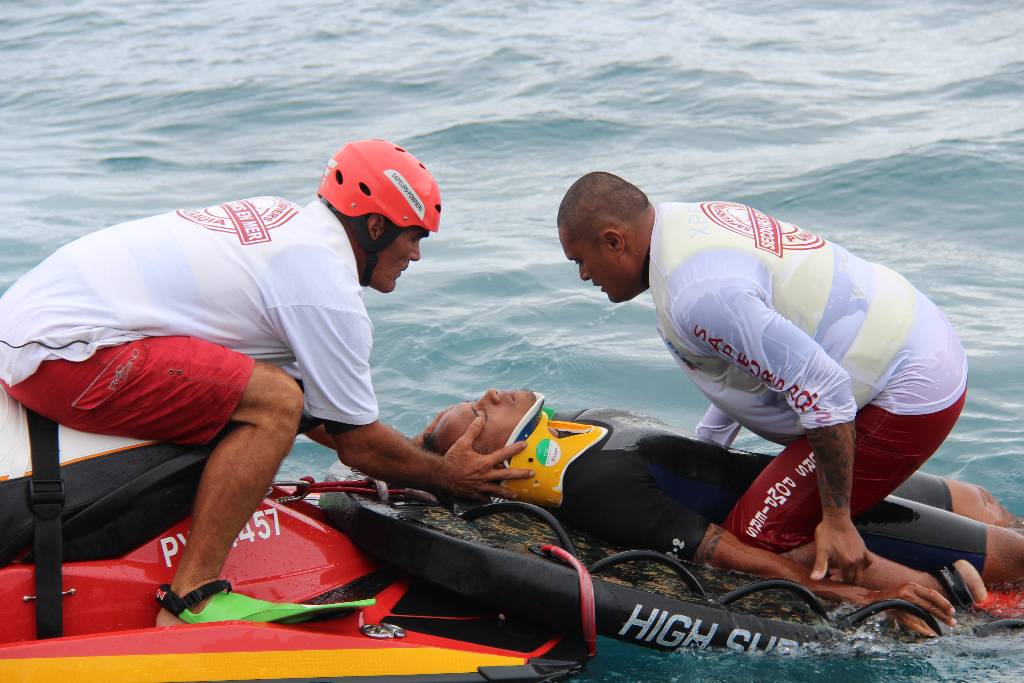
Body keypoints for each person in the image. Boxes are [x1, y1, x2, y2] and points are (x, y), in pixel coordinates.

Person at [0, 140, 529, 625]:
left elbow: (329, 415)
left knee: (283, 392)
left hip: (30, 334)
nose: (416, 254)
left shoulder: (288, 224)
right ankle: (194, 596)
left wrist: (407, 467)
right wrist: (446, 477)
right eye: (415, 237)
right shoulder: (323, 286)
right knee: (274, 402)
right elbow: (356, 440)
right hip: (61, 357)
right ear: (374, 228)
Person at [555, 173, 969, 586]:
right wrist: (705, 453)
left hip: (907, 387)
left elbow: (826, 391)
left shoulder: (698, 295)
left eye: (580, 260)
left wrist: (837, 520)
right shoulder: (687, 223)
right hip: (911, 333)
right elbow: (748, 361)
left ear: (614, 241)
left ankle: (957, 600)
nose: (584, 276)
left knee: (755, 542)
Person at [420, 389, 1024, 634]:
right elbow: (720, 548)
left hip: (806, 471)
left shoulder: (573, 427)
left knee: (981, 503)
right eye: (476, 414)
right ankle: (977, 602)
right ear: (497, 462)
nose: (491, 394)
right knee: (1010, 559)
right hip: (807, 512)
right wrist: (858, 597)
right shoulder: (593, 487)